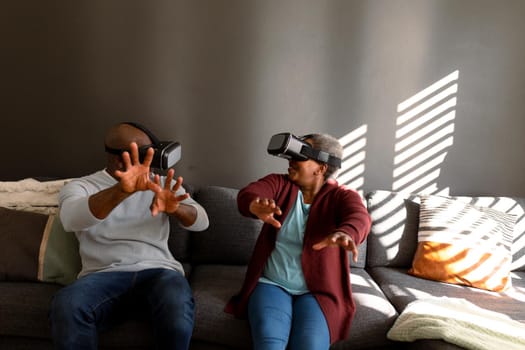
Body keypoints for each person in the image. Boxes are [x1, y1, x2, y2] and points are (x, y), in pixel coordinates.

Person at [49, 122, 209, 350]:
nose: (152, 161)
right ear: (118, 158)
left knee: (177, 310)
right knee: (67, 306)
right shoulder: (81, 186)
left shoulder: (164, 184)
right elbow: (71, 219)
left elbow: (202, 222)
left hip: (159, 273)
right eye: (144, 154)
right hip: (102, 276)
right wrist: (122, 191)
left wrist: (177, 209)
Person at [225, 132, 371, 350]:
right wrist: (254, 205)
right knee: (269, 343)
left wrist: (348, 233)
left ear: (321, 168)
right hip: (272, 283)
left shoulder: (342, 196)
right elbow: (251, 192)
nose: (291, 161)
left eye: (300, 156)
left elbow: (359, 216)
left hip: (319, 291)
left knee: (310, 345)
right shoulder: (279, 183)